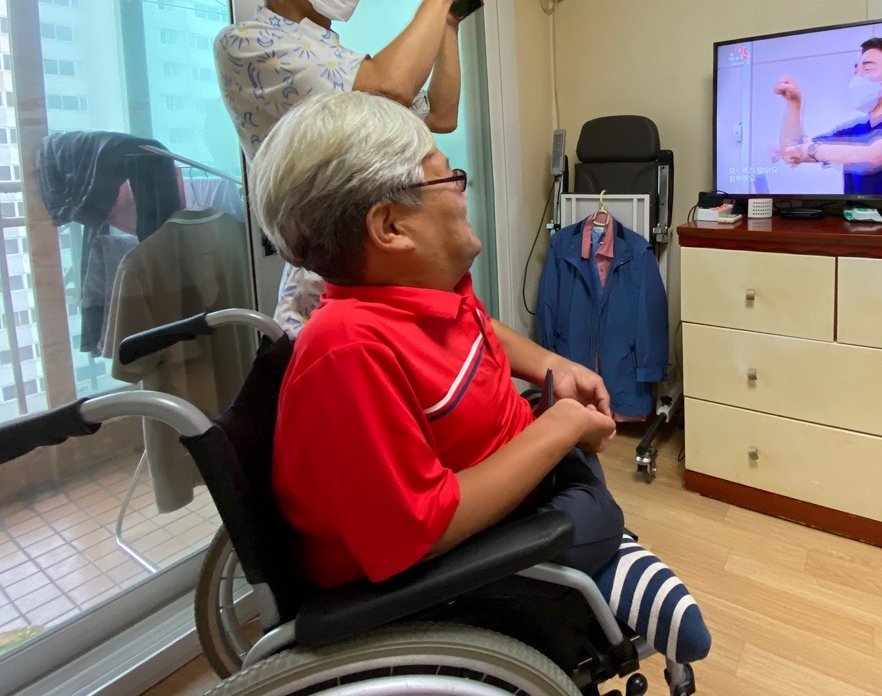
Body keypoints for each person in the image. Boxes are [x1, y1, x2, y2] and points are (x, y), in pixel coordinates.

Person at [249, 91, 711, 665]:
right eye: (448, 178)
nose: (462, 191)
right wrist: (561, 428)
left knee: (567, 449)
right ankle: (609, 558)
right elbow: (420, 532)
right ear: (390, 227)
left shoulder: (418, 294)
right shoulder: (346, 350)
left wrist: (556, 367)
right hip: (428, 572)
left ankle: (598, 538)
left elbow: (480, 329)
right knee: (593, 510)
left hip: (498, 479)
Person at [214, 0, 482, 333]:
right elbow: (391, 87)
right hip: (331, 279)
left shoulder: (332, 54)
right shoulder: (249, 43)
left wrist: (449, 22)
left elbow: (441, 114)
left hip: (383, 260)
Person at [775, 36, 882, 195]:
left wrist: (813, 149)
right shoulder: (854, 131)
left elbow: (874, 157)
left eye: (867, 69)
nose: (857, 78)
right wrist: (794, 103)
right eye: (856, 71)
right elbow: (792, 150)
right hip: (854, 215)